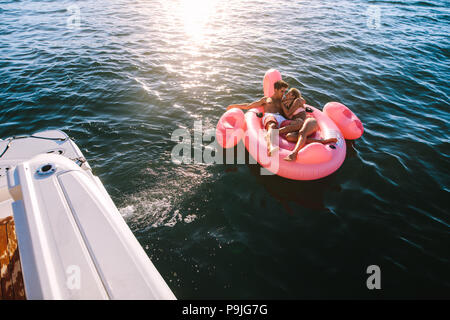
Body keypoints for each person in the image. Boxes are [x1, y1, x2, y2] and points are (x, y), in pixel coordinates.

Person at [227, 80, 289, 156]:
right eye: (282, 91)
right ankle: (271, 146)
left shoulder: (283, 101)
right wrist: (235, 106)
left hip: (282, 119)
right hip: (270, 116)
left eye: (284, 91)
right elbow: (249, 106)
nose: (283, 94)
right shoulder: (267, 99)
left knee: (294, 125)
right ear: (275, 90)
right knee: (272, 125)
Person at [278, 88, 337, 161]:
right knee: (290, 137)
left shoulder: (298, 100)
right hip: (299, 124)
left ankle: (294, 153)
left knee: (302, 132)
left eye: (289, 93)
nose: (286, 94)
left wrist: (282, 103)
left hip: (309, 121)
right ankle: (323, 141)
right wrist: (283, 103)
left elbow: (289, 114)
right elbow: (288, 116)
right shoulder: (289, 104)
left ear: (293, 96)